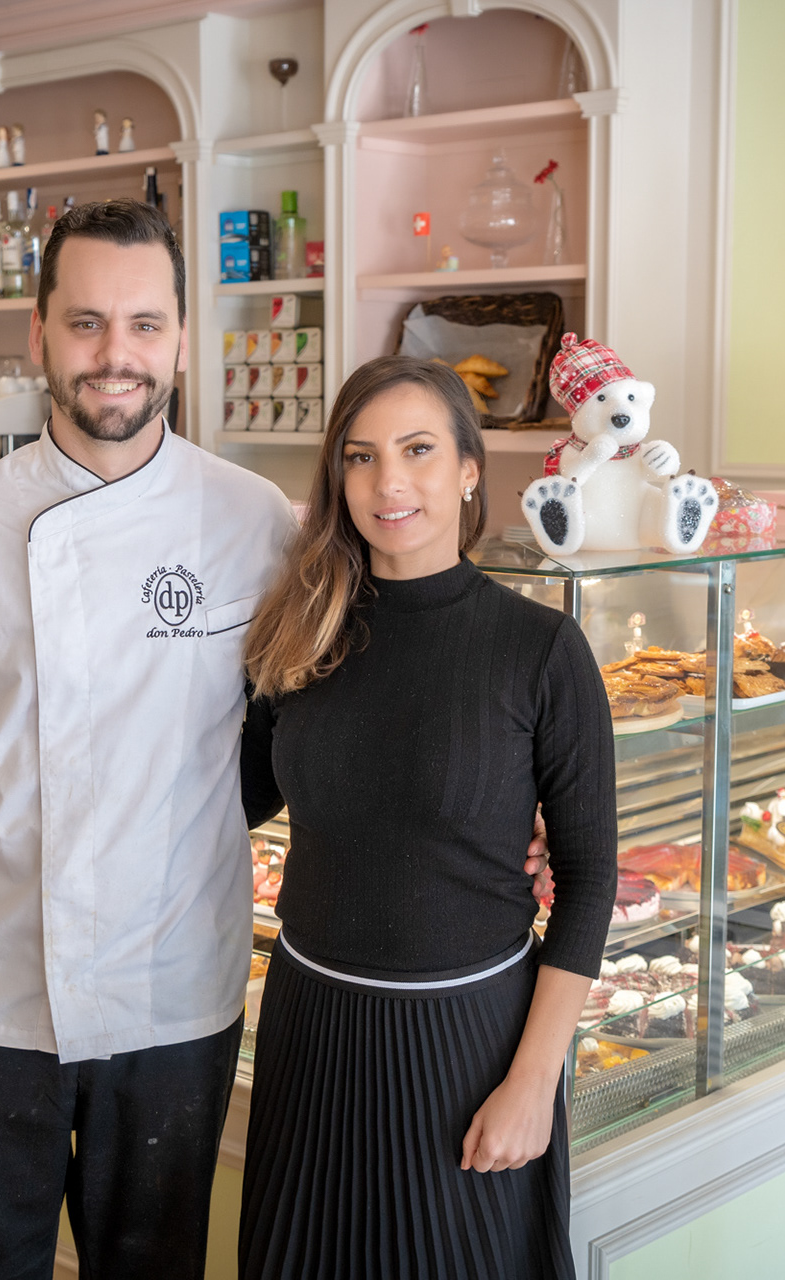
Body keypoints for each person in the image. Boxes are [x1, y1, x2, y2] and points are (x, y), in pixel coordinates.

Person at [0, 199, 298, 1280]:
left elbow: (334, 716)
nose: (115, 354)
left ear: (181, 338)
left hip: (176, 987)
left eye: (143, 324)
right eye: (86, 323)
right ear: (39, 333)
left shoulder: (255, 520)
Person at [237, 355, 616, 1279]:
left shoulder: (539, 647)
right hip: (310, 1030)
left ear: (469, 470)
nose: (388, 483)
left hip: (468, 1044)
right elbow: (237, 798)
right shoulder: (299, 629)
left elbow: (589, 880)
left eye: (417, 451)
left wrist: (534, 1083)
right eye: (360, 457)